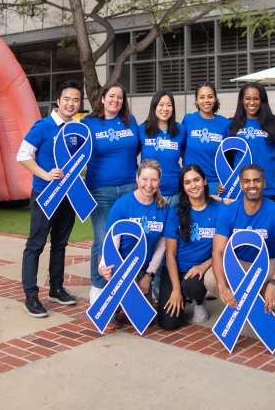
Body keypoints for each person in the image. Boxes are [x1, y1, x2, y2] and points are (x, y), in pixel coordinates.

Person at [16, 80, 83, 318]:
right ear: (58, 101)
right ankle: (31, 296)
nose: (71, 103)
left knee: (60, 244)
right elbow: (23, 155)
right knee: (35, 244)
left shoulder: (77, 130)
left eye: (75, 99)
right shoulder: (43, 126)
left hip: (68, 197)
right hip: (45, 195)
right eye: (67, 99)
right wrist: (45, 174)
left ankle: (56, 288)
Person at [85, 82, 140, 302]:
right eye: (112, 96)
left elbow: (137, 149)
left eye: (119, 97)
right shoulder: (88, 124)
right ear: (102, 98)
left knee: (127, 238)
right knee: (103, 239)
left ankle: (124, 283)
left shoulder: (130, 121)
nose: (115, 100)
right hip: (100, 190)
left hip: (129, 188)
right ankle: (98, 287)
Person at [212, 164, 275, 315]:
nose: (252, 185)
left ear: (264, 183)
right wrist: (222, 286)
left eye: (256, 180)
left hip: (268, 264)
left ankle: (266, 306)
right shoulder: (228, 211)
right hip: (239, 264)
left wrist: (273, 283)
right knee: (211, 279)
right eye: (247, 181)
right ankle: (244, 306)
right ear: (241, 184)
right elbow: (218, 251)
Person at [98, 160, 168, 308]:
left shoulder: (163, 208)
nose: (149, 185)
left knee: (142, 317)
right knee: (109, 313)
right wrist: (104, 265)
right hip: (119, 266)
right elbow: (112, 239)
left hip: (143, 269)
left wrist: (149, 276)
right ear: (137, 178)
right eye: (144, 179)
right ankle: (106, 296)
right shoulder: (122, 205)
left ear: (159, 181)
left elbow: (161, 247)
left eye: (154, 180)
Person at [158, 165, 220, 329]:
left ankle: (199, 301)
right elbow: (170, 254)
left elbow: (225, 248)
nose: (193, 185)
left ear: (205, 181)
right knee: (169, 323)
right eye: (187, 182)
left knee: (191, 286)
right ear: (183, 188)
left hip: (201, 271)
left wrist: (204, 265)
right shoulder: (175, 212)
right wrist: (176, 290)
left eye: (196, 180)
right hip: (175, 270)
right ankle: (183, 296)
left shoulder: (220, 210)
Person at [228, 83, 275, 203]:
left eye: (256, 98)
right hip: (241, 189)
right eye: (247, 98)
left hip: (270, 189)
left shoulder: (274, 123)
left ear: (262, 101)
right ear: (242, 100)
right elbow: (229, 158)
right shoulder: (232, 125)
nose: (251, 102)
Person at [182, 84, 230, 197]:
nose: (206, 100)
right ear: (197, 101)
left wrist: (226, 179)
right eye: (202, 97)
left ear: (215, 99)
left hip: (216, 183)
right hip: (192, 182)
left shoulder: (224, 123)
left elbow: (229, 156)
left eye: (210, 96)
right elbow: (181, 148)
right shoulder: (188, 120)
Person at [139, 91, 186, 207]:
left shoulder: (180, 130)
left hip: (175, 192)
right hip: (149, 192)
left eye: (169, 105)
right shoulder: (142, 129)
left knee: (173, 225)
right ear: (154, 106)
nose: (165, 109)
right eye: (161, 104)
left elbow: (186, 157)